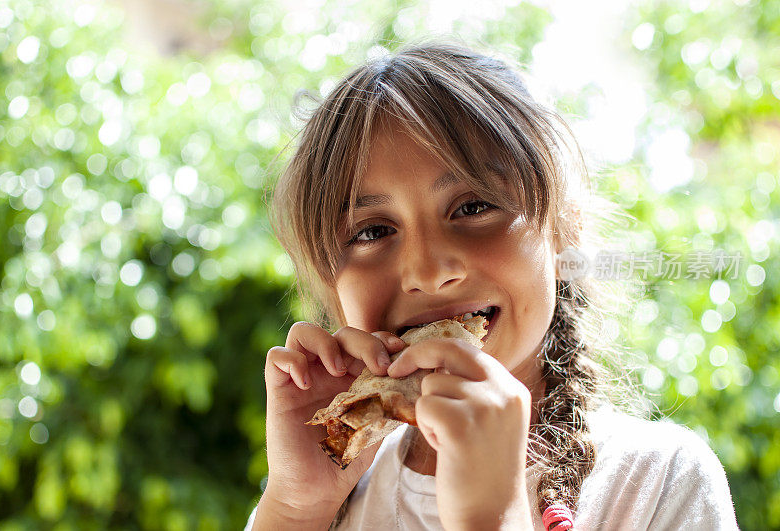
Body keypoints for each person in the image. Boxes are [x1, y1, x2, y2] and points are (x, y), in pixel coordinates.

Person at [246, 41, 739, 530]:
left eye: (473, 207)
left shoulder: (655, 481)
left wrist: (494, 519)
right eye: (373, 231)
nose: (428, 271)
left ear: (562, 234)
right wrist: (294, 507)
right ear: (333, 290)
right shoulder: (331, 492)